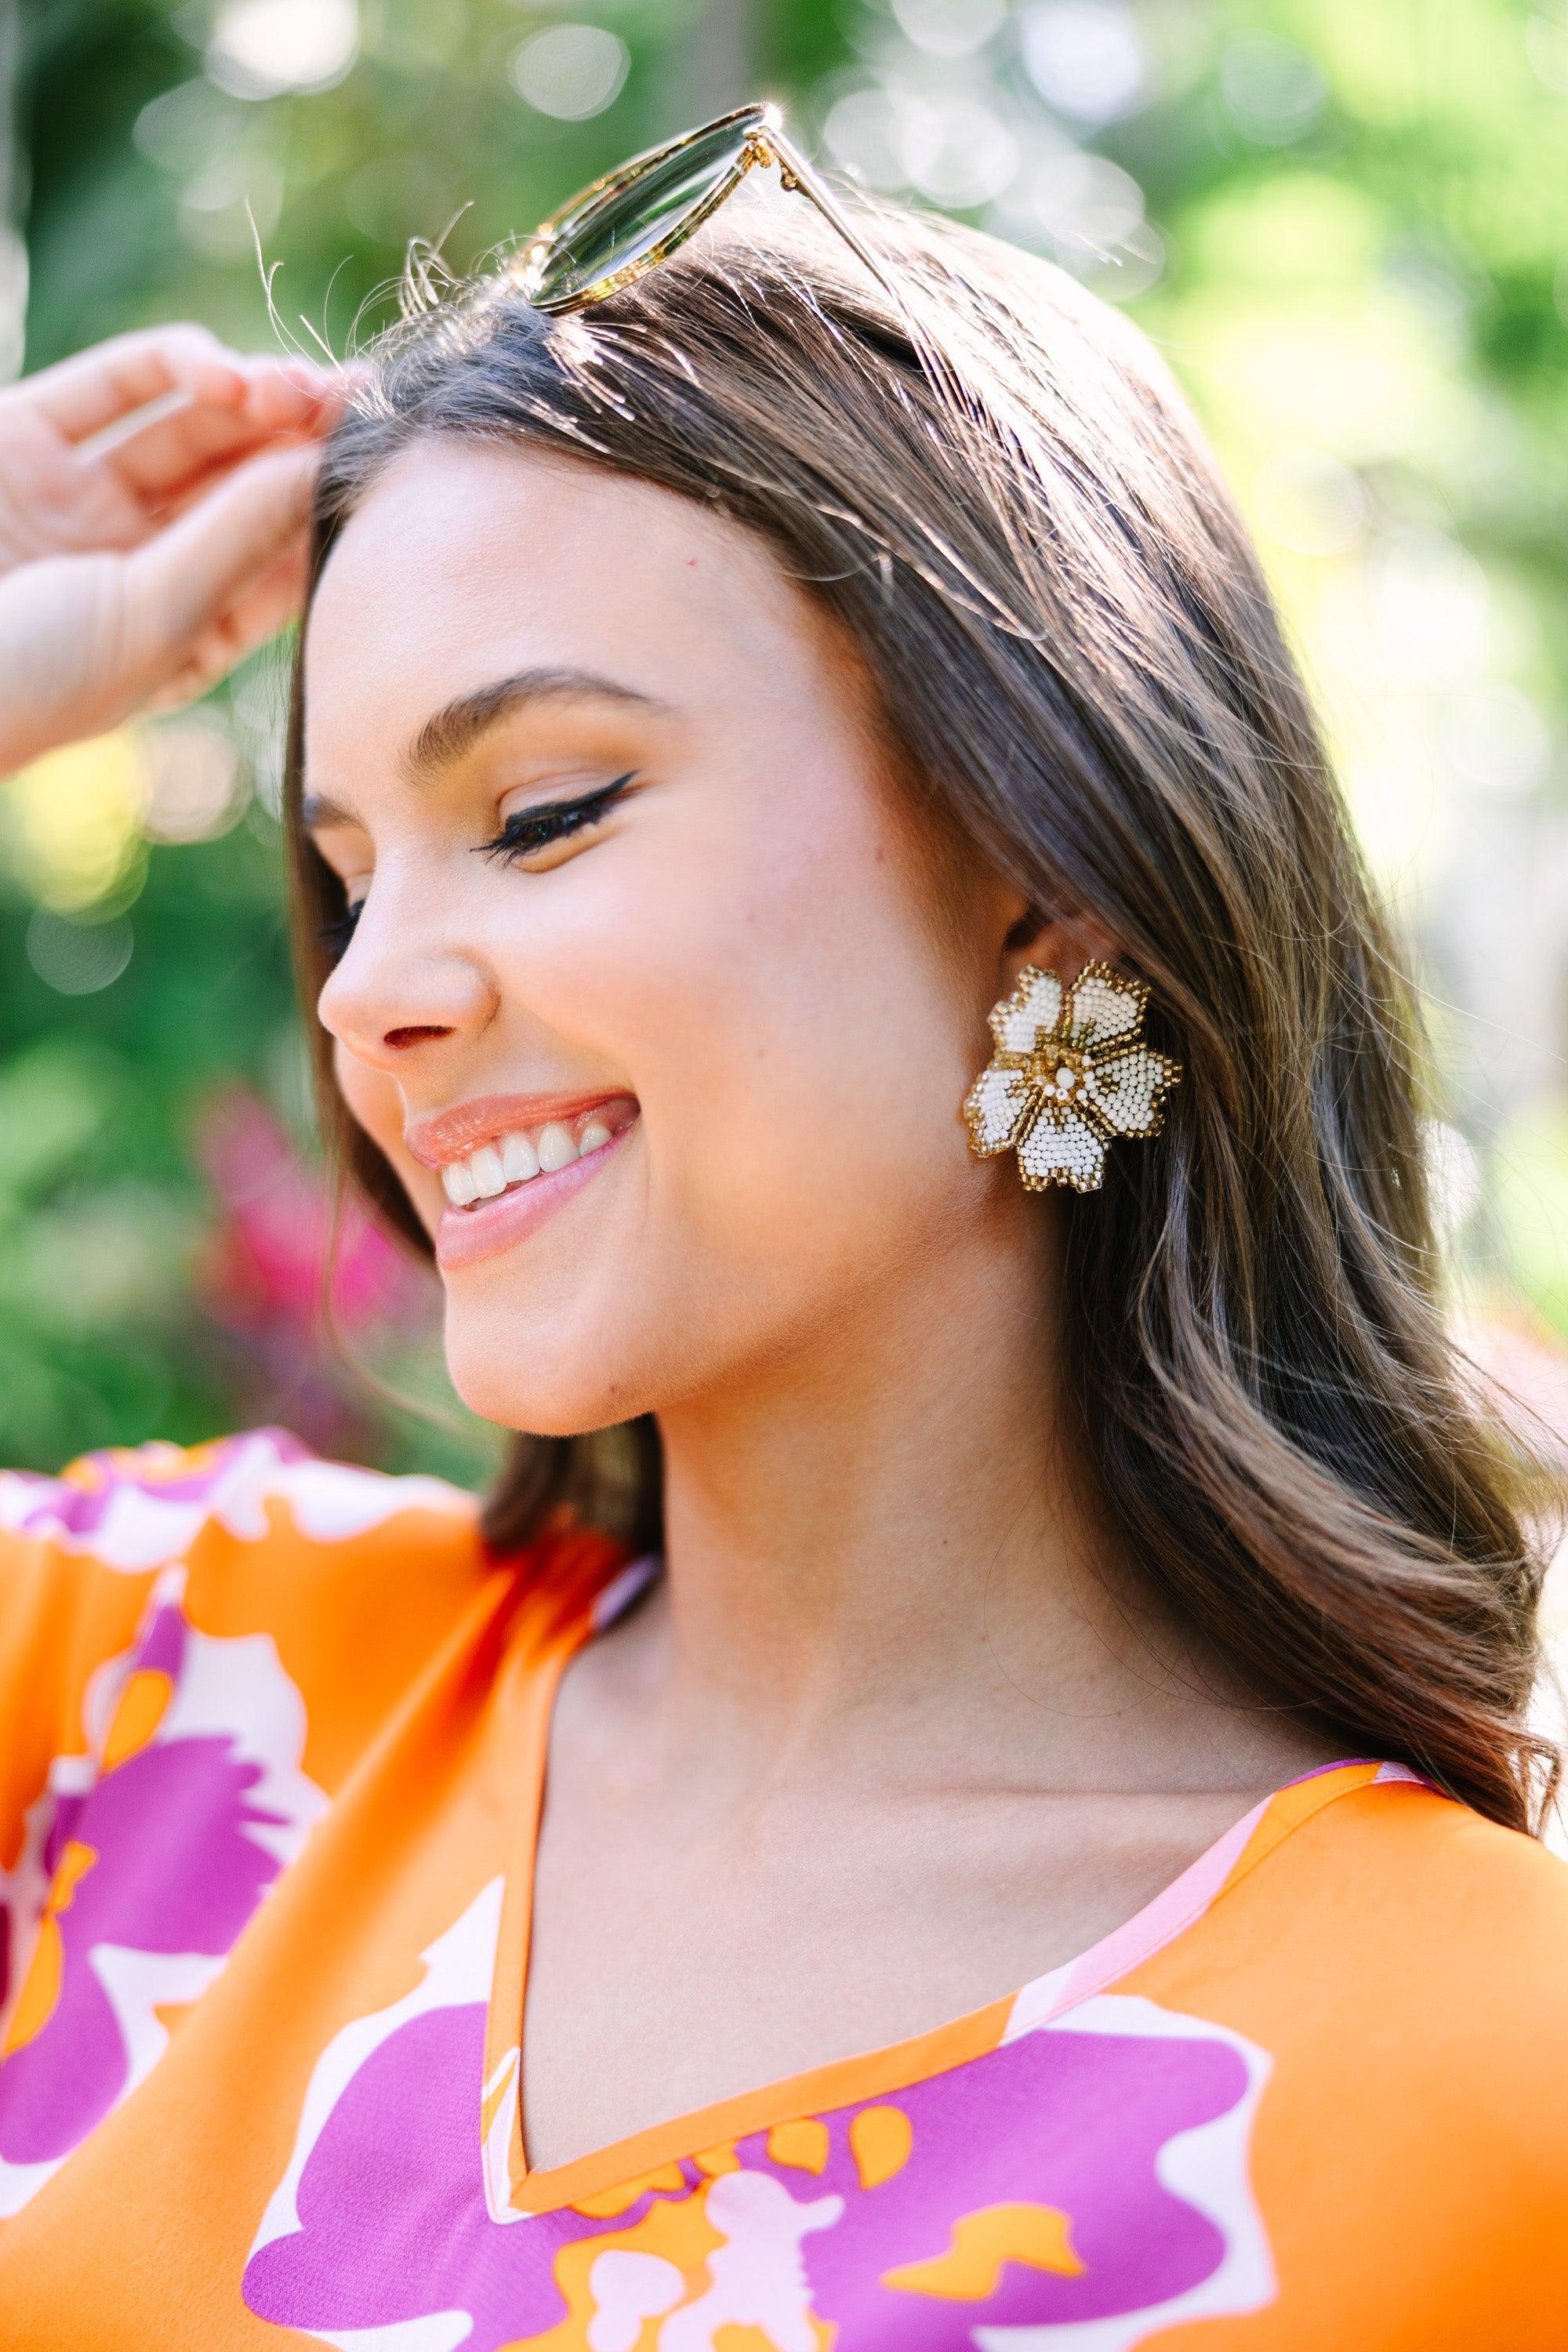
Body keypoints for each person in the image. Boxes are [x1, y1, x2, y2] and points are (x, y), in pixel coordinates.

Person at [1, 118, 1565, 2351]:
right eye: (350, 874)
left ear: (1053, 882)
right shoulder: (162, 1696)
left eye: (538, 814)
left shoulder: (1484, 2100)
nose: (363, 992)